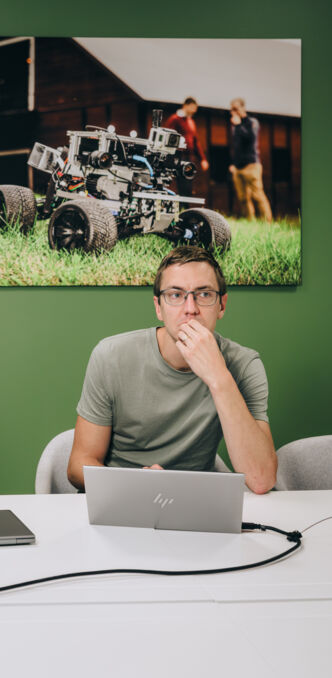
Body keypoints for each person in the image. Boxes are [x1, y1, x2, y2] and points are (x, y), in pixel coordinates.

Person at [66, 245, 276, 494]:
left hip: (195, 503)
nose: (190, 309)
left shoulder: (244, 364)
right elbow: (78, 466)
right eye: (175, 295)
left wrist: (219, 377)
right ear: (158, 307)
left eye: (205, 294)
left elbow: (261, 480)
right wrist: (133, 484)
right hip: (122, 498)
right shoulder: (110, 356)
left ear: (222, 305)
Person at [229, 98, 272, 222]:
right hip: (238, 167)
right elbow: (236, 147)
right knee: (243, 198)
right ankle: (250, 220)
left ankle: (267, 222)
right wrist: (233, 164)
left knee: (257, 195)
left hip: (251, 165)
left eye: (236, 109)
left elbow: (250, 138)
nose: (233, 112)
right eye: (231, 109)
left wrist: (238, 125)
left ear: (243, 108)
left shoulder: (252, 122)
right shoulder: (235, 127)